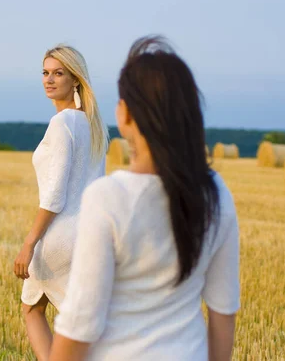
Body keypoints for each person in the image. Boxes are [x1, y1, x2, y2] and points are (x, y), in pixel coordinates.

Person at [49, 36, 240, 361]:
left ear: (124, 116)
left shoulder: (107, 199)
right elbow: (223, 316)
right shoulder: (216, 193)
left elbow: (80, 325)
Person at [14, 45, 109, 360]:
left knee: (32, 311)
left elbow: (54, 194)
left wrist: (30, 242)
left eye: (58, 73)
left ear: (75, 80)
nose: (49, 80)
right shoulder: (94, 125)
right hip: (89, 236)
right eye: (45, 72)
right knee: (72, 320)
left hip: (59, 237)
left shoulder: (62, 124)